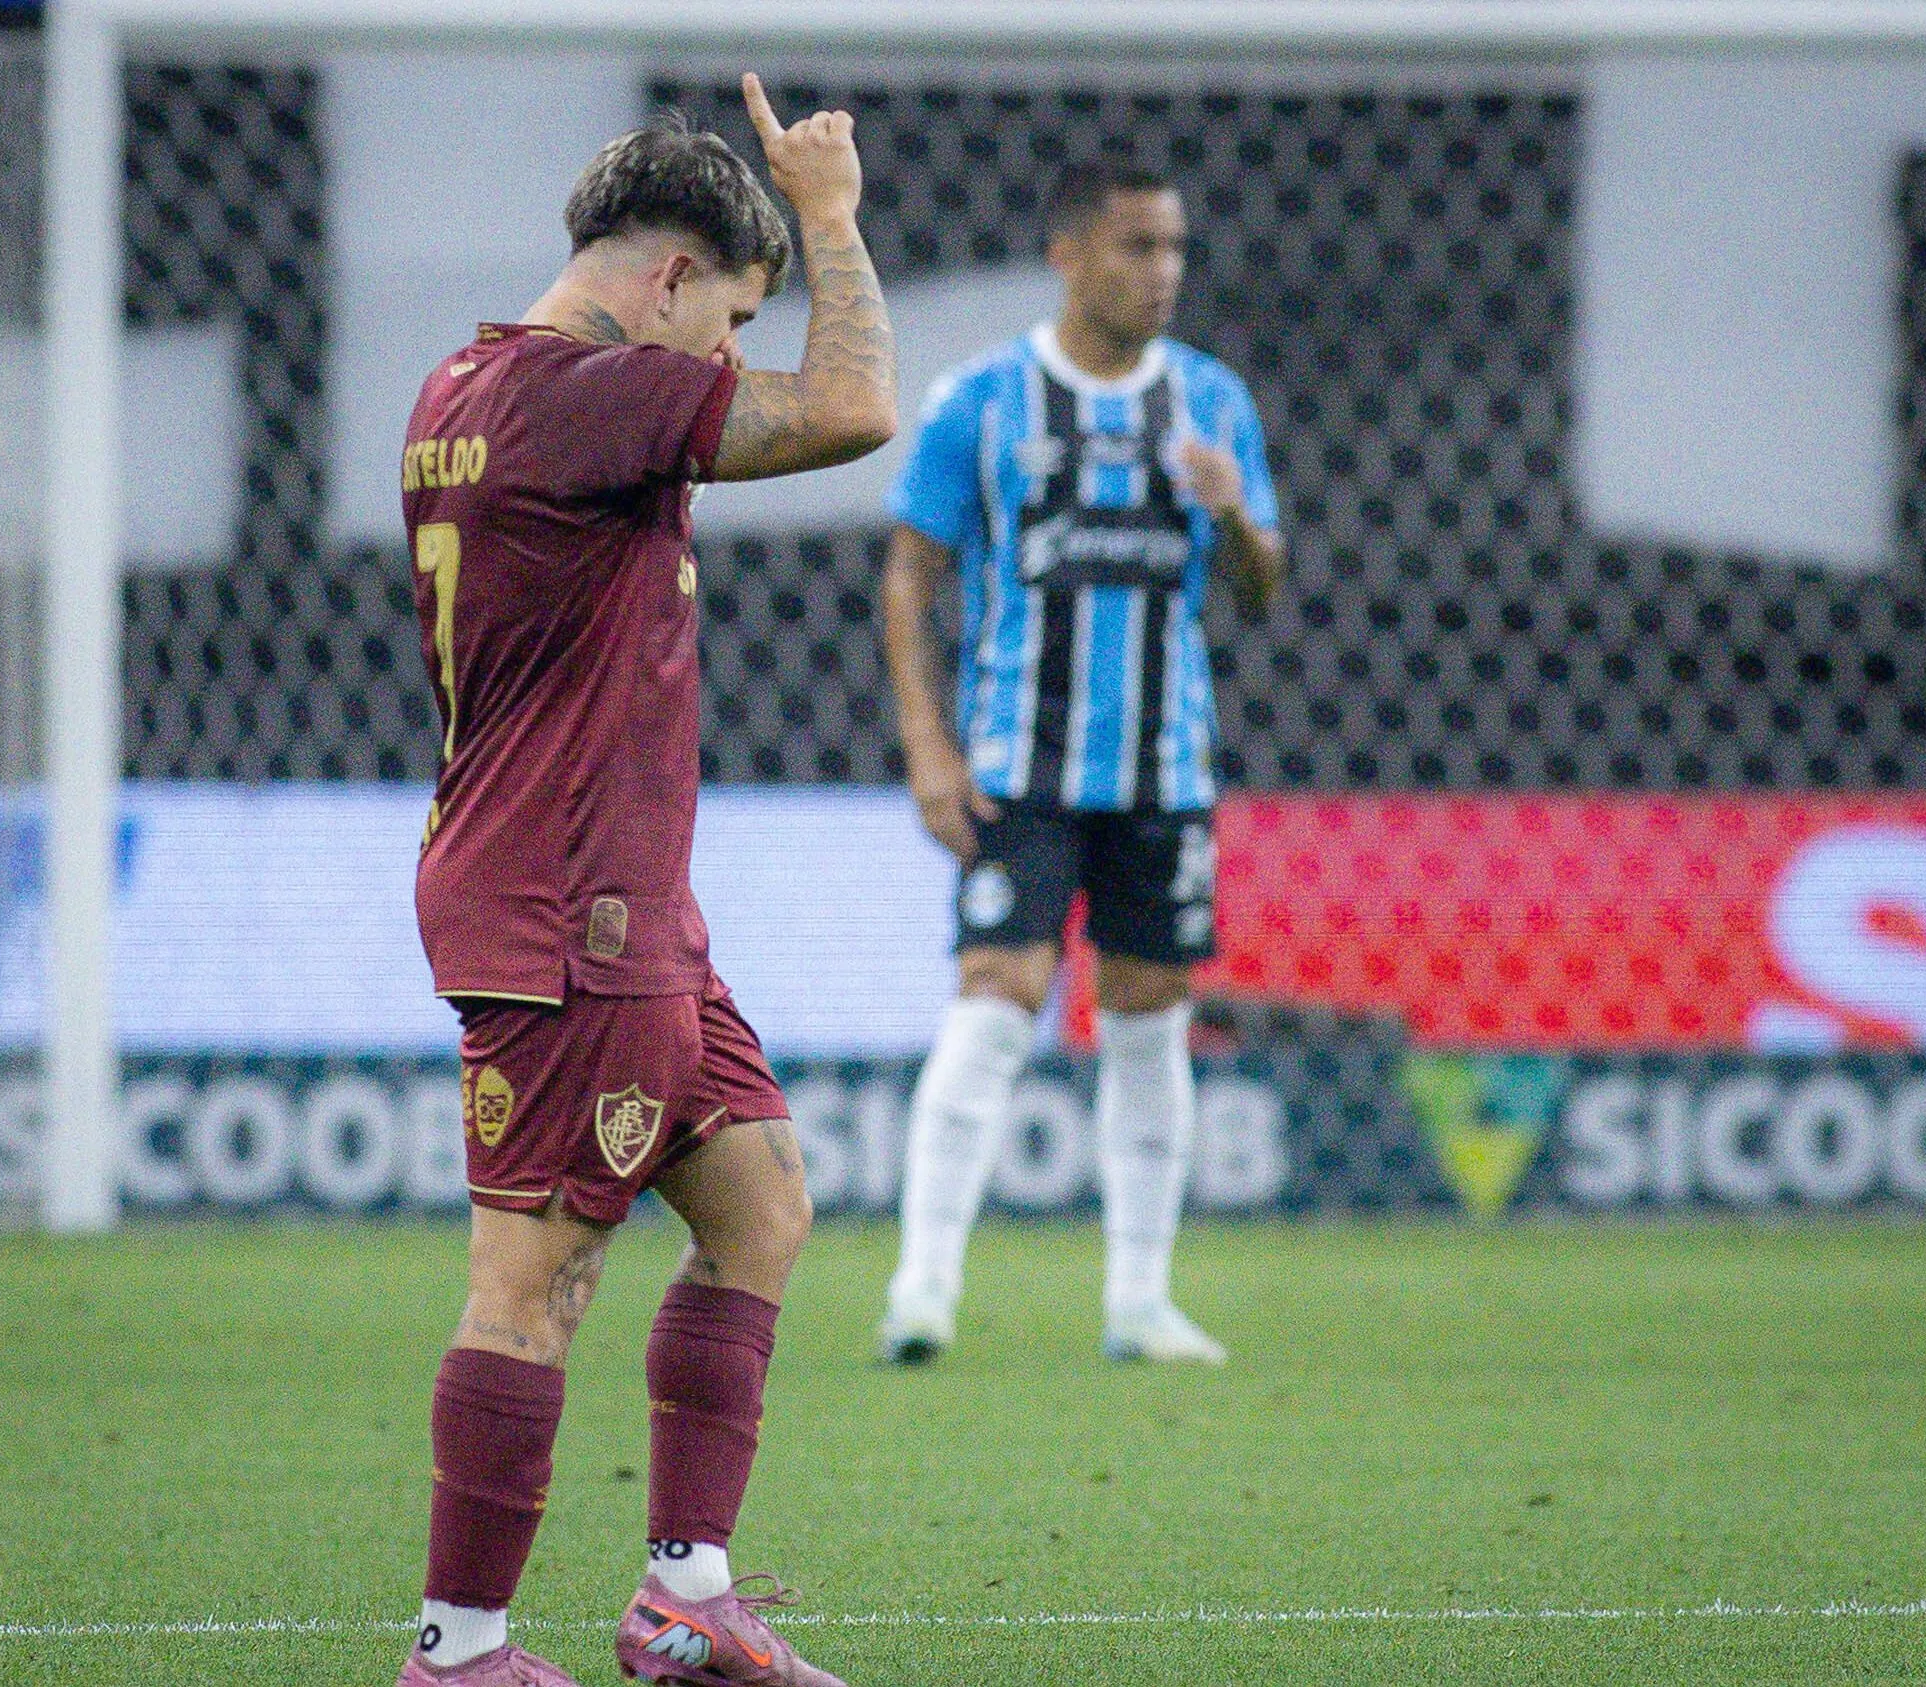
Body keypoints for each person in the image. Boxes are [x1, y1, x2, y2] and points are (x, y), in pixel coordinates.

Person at [393, 76, 892, 1687]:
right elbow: (848, 410)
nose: (734, 358)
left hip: (624, 904)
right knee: (532, 1283)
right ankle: (458, 1646)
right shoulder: (577, 395)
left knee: (758, 1203)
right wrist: (828, 216)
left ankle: (688, 1592)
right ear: (667, 276)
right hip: (566, 911)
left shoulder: (462, 384)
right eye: (733, 315)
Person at [875, 160, 1286, 1368]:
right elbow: (911, 568)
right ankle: (923, 1287)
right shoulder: (984, 400)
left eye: (1173, 248)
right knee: (998, 990)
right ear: (1069, 253)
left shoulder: (1214, 404)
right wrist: (928, 744)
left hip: (1164, 768)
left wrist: (1234, 519)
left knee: (1151, 1019)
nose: (1161, 272)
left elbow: (1261, 593)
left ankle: (1139, 1300)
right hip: (1021, 762)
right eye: (1135, 247)